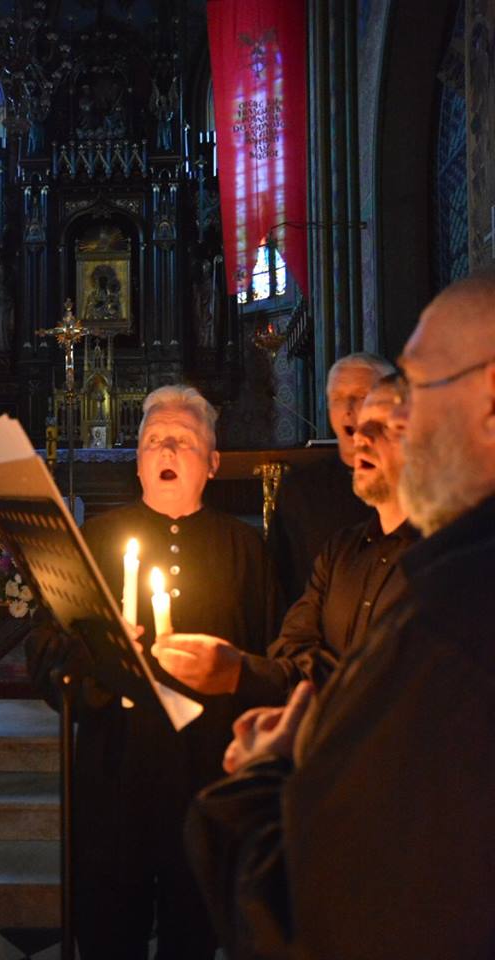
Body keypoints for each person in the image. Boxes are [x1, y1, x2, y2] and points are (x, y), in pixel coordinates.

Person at [186, 269, 495, 960]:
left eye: (416, 390)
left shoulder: (452, 625)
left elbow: (316, 914)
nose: (380, 426)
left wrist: (263, 775)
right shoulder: (401, 570)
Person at [27, 384, 284, 960]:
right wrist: (94, 660)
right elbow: (45, 653)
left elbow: (272, 662)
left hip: (208, 778)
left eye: (183, 440)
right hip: (113, 775)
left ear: (212, 463)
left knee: (193, 935)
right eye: (153, 441)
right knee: (106, 933)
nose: (166, 450)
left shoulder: (246, 549)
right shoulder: (92, 543)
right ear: (138, 462)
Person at [152, 375, 418, 700]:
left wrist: (248, 673)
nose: (360, 436)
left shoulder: (447, 557)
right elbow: (291, 647)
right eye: (362, 425)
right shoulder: (340, 552)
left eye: (386, 427)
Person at [269, 352, 394, 604]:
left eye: (361, 396)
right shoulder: (300, 490)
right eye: (337, 398)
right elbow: (281, 581)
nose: (347, 409)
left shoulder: (417, 484)